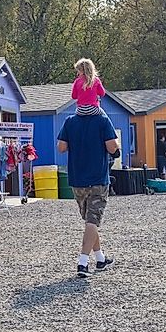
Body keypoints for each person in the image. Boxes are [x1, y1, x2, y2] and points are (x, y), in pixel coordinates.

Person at [57, 109, 120, 278]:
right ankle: (82, 263)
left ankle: (100, 259)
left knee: (89, 221)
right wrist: (115, 149)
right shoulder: (103, 120)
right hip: (98, 178)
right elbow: (112, 147)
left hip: (77, 179)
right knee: (93, 221)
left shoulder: (70, 121)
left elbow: (61, 147)